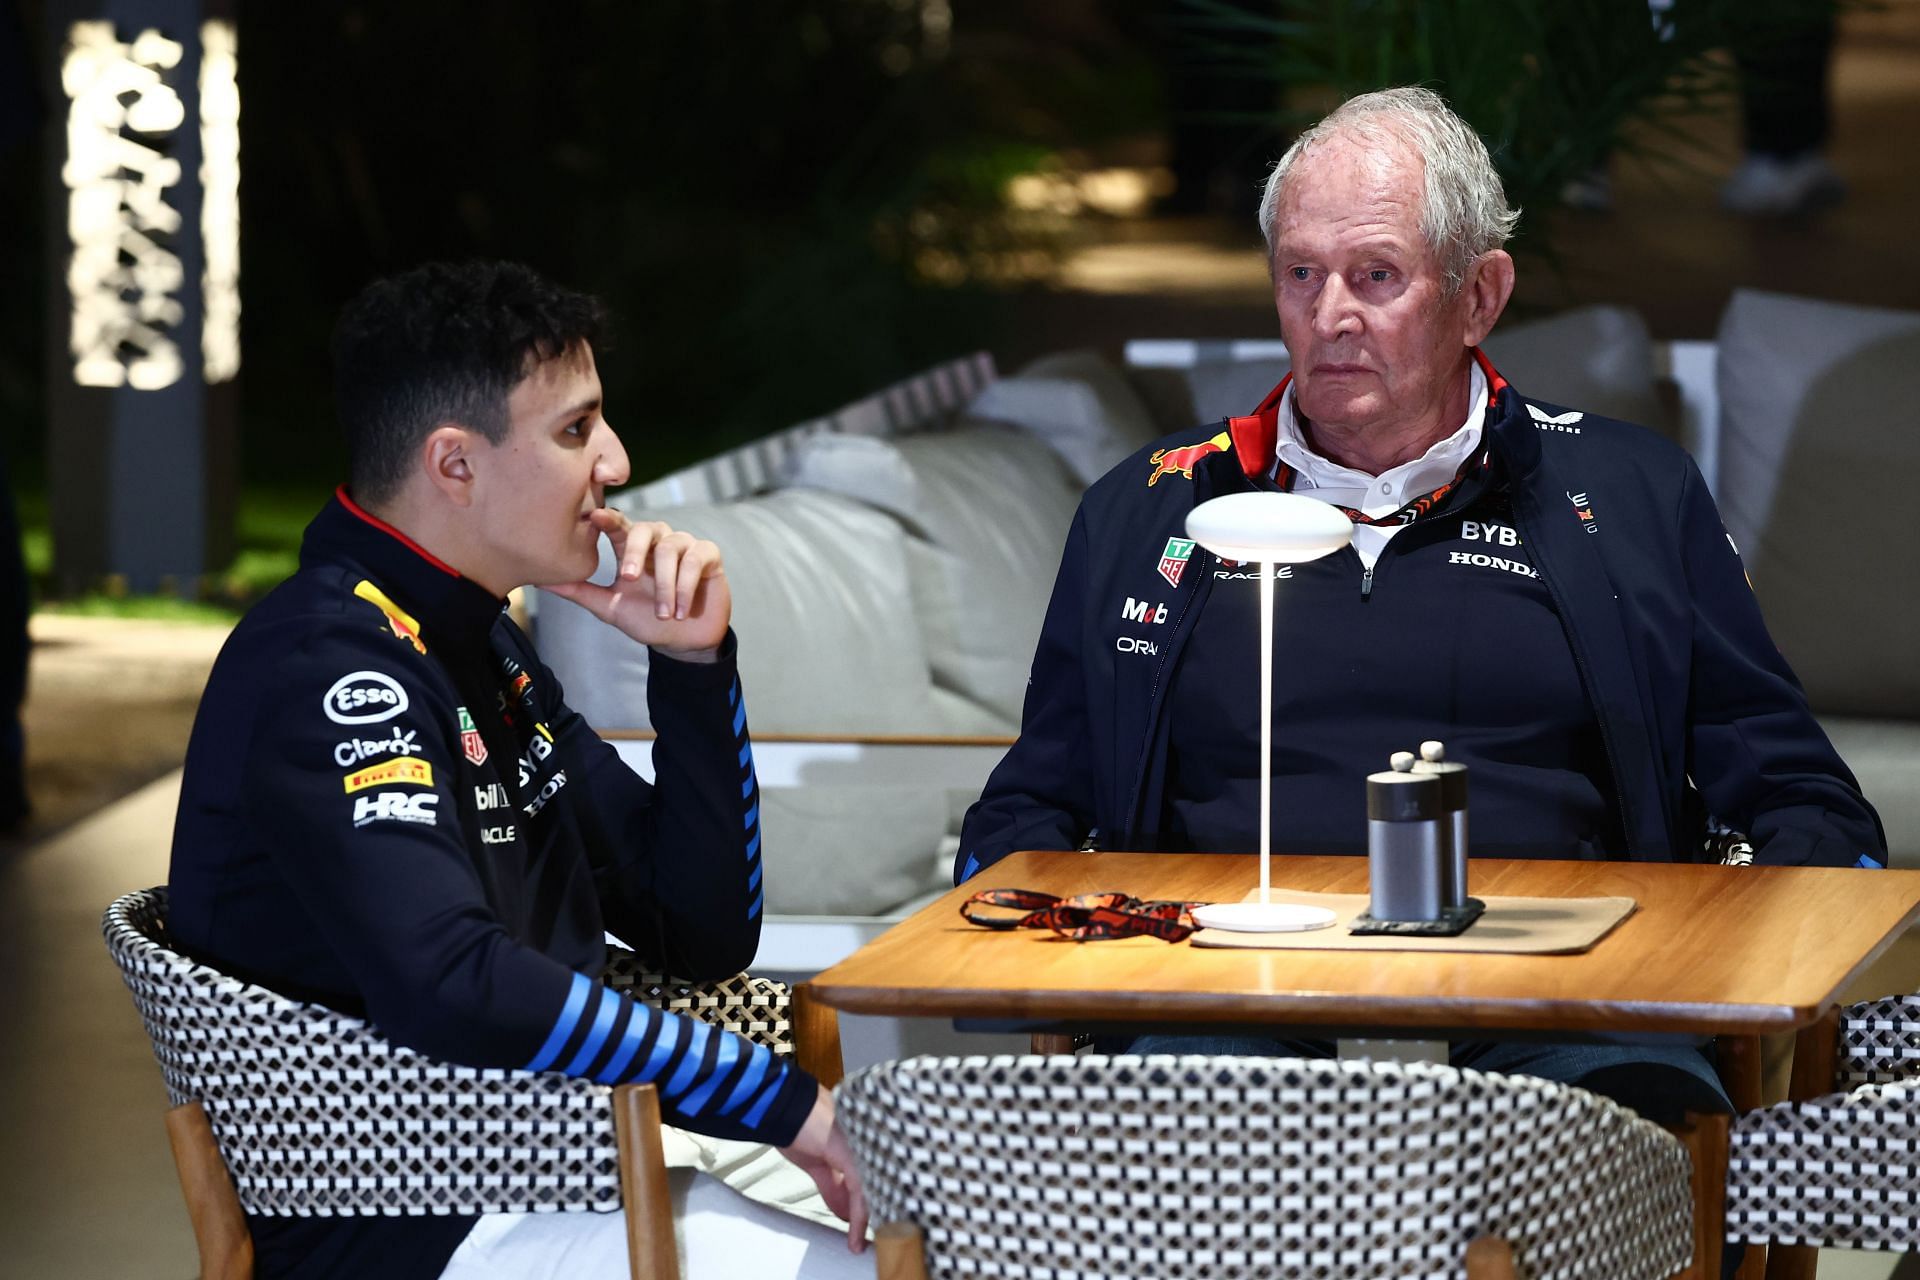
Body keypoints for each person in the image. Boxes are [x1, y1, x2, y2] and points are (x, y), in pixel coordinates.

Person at [957, 87, 1885, 1121]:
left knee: (1631, 1134)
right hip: (1219, 999)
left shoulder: (1626, 495)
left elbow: (1803, 792)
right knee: (1186, 1122)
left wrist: (1737, 955)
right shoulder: (1155, 506)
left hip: (1563, 1001)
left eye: (1377, 276)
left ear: (1479, 295)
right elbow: (1029, 808)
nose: (1330, 314)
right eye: (1301, 274)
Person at [167, 261, 867, 1279]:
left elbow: (697, 931)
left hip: (550, 1177)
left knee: (922, 1243)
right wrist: (779, 1098)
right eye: (576, 430)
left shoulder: (476, 647)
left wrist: (689, 666)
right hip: (415, 1226)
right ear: (454, 463)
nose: (617, 463)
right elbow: (452, 981)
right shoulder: (326, 665)